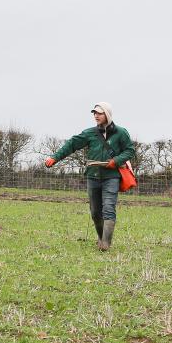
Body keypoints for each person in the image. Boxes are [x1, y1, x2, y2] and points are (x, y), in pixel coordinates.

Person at [44, 102, 134, 252]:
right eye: (94, 113)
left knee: (109, 209)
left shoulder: (121, 132)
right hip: (93, 176)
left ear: (107, 114)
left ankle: (105, 244)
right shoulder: (90, 133)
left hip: (111, 177)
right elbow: (71, 144)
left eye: (99, 113)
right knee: (95, 211)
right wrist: (55, 158)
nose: (96, 115)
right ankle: (100, 237)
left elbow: (130, 151)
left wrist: (116, 161)